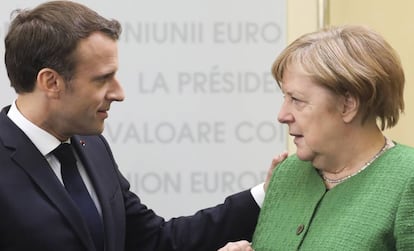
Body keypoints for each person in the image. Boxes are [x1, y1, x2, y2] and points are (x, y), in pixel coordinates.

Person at [0, 1, 288, 251]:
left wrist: (265, 194)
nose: (119, 93)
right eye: (102, 79)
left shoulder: (93, 147)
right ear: (51, 82)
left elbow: (156, 241)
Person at [219, 25, 414, 251]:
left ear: (347, 105)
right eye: (284, 97)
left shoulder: (407, 178)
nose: (282, 116)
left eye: (297, 100)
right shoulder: (287, 173)